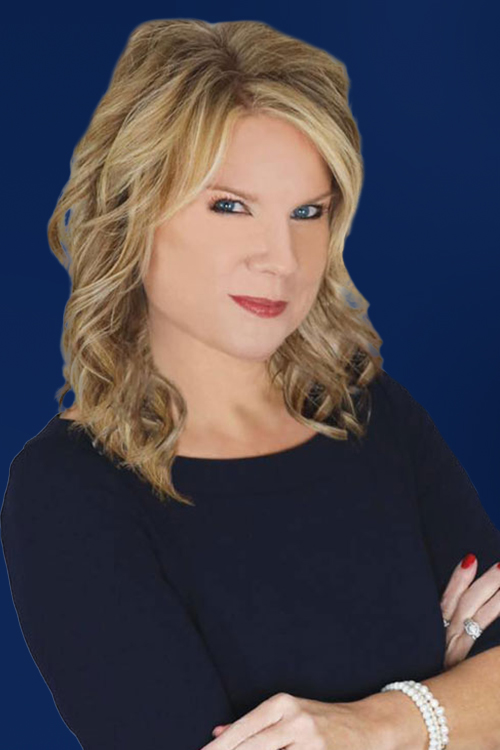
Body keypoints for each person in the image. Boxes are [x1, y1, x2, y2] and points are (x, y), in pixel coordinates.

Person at [2, 18, 500, 750]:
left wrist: (378, 724)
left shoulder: (368, 413)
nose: (281, 258)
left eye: (308, 212)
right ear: (135, 208)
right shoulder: (68, 492)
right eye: (230, 206)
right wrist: (452, 706)